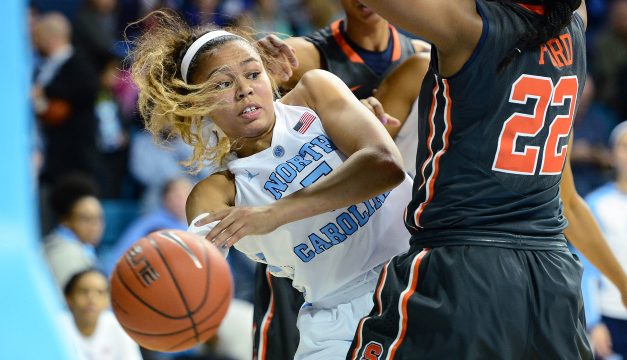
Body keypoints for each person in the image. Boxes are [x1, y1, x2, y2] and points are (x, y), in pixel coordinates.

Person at [338, 0, 623, 358]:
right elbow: (568, 202)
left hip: (466, 268)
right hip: (554, 280)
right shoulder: (575, 23)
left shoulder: (469, 25)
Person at [129, 10, 412, 359]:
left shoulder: (314, 93)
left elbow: (385, 166)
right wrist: (163, 303)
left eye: (252, 73)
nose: (244, 89)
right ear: (196, 105)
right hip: (339, 317)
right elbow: (192, 280)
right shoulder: (217, 193)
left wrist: (274, 214)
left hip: (417, 266)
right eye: (222, 83)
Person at [579, 122, 627, 359]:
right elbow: (586, 268)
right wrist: (593, 321)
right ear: (612, 154)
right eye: (625, 146)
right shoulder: (595, 204)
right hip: (610, 318)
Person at [61, 268, 143, 360]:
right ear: (69, 298)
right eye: (84, 291)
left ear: (108, 300)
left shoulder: (119, 327)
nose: (92, 299)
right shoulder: (57, 327)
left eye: (100, 292)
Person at [43, 173, 104, 290]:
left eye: (99, 218)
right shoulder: (66, 256)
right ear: (65, 220)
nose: (96, 227)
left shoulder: (80, 249)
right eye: (87, 219)